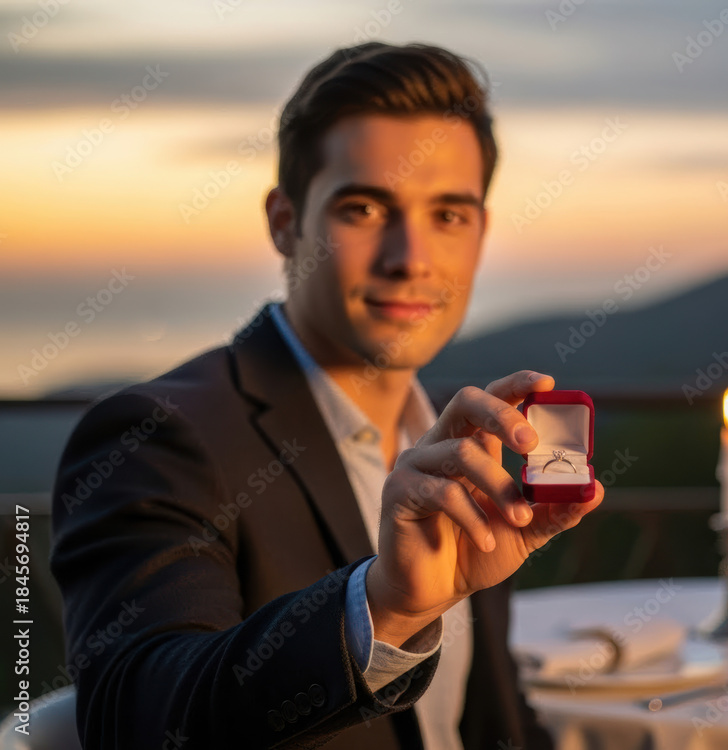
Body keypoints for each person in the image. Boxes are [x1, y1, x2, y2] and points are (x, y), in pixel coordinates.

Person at [49, 41, 604, 750]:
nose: (411, 257)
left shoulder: (458, 442)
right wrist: (383, 609)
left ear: (481, 232)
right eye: (366, 207)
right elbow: (141, 718)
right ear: (286, 222)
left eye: (449, 214)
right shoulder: (157, 435)